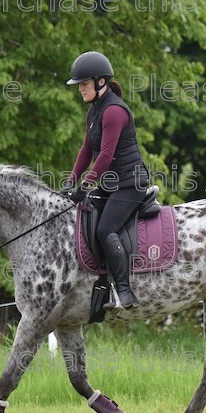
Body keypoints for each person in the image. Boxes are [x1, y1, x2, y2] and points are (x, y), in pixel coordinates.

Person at [62, 51, 151, 310]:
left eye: (84, 84)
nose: (80, 89)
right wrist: (70, 182)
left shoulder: (113, 111)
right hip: (111, 185)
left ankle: (124, 289)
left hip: (130, 184)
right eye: (79, 85)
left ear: (101, 82)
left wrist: (86, 185)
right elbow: (86, 151)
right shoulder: (94, 112)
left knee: (104, 229)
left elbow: (106, 154)